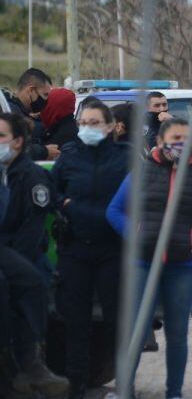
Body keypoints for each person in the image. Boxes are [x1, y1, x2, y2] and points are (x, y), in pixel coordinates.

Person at [107, 118, 192, 397]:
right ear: (160, 140)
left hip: (184, 267)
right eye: (176, 137)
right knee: (135, 331)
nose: (181, 143)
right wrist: (135, 234)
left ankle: (174, 392)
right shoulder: (141, 172)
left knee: (177, 333)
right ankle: (124, 390)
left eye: (187, 138)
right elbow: (115, 211)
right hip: (142, 263)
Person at [51, 101, 129, 398]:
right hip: (76, 250)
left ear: (110, 127)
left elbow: (135, 198)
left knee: (116, 324)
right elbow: (55, 192)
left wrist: (83, 211)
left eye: (94, 123)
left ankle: (124, 384)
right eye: (82, 122)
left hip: (112, 249)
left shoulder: (124, 160)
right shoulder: (69, 158)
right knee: (76, 323)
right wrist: (67, 206)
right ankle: (77, 386)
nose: (87, 128)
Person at [0, 112, 69, 397]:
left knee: (27, 286)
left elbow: (31, 231)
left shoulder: (31, 176)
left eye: (0, 136)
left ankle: (29, 364)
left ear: (17, 142)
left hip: (23, 258)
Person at [2, 67, 59, 160]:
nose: (46, 100)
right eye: (45, 95)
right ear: (31, 90)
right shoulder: (12, 114)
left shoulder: (15, 109)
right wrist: (44, 151)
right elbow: (16, 149)